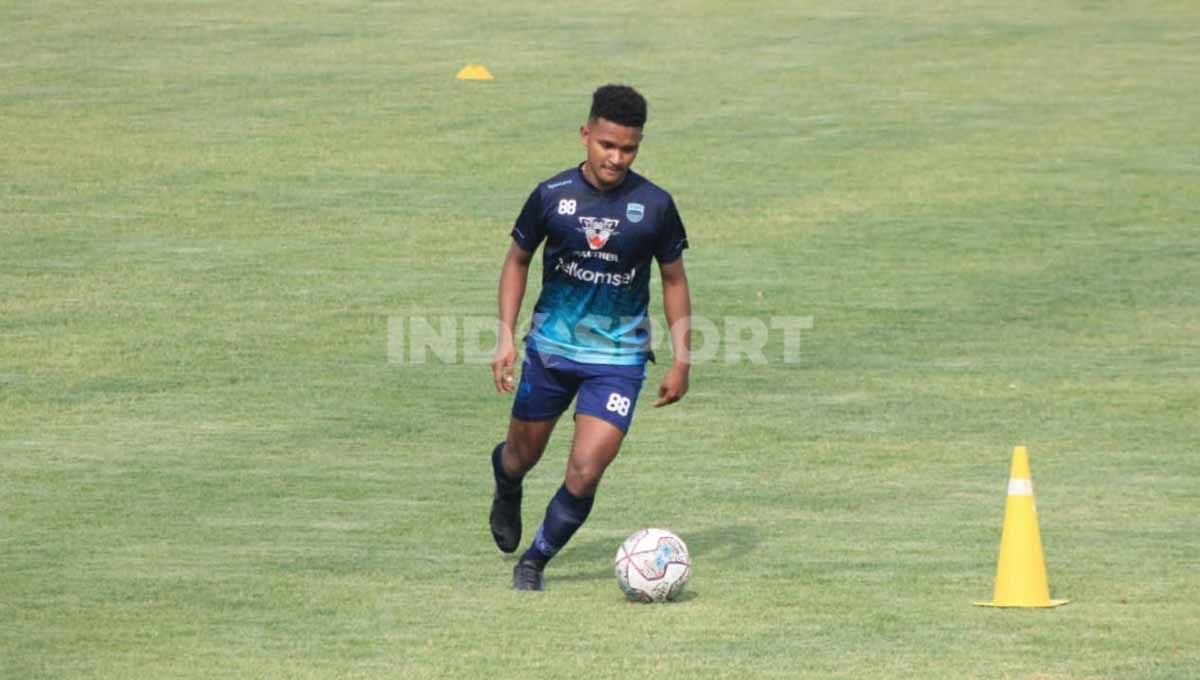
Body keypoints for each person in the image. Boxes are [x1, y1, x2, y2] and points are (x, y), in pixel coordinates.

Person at [488, 84, 693, 591]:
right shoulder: (551, 196)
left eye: (628, 149)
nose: (616, 158)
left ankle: (534, 560)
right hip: (552, 350)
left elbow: (673, 279)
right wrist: (505, 336)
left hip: (619, 359)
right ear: (586, 135)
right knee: (521, 455)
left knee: (584, 471)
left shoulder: (655, 205)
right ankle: (506, 480)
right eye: (607, 145)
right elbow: (517, 260)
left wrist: (682, 359)